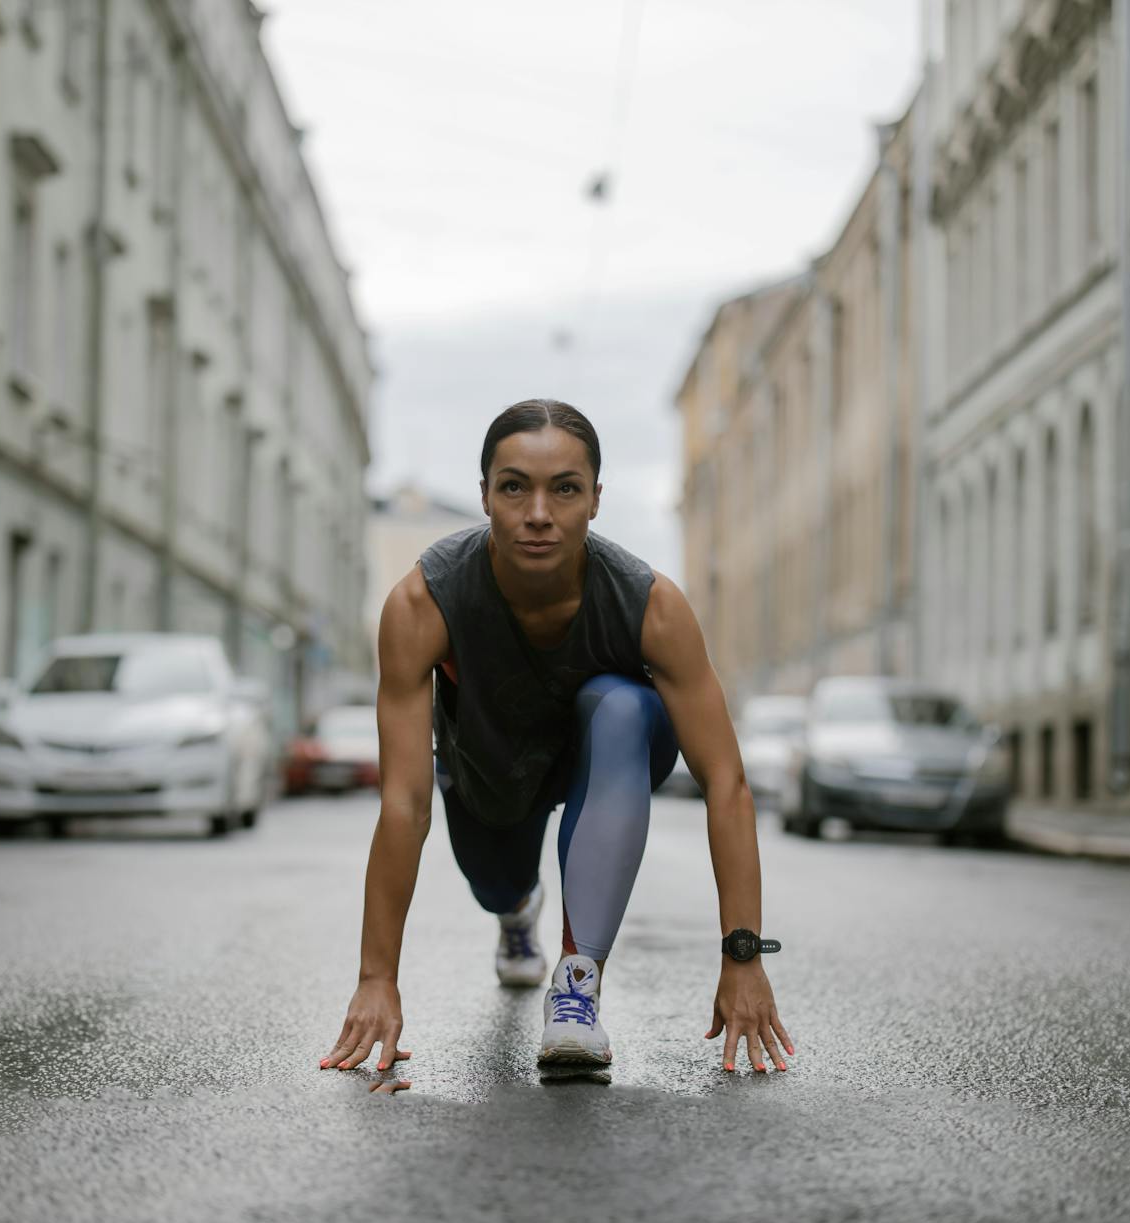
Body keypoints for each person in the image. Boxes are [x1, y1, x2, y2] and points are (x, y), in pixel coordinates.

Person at [319, 399, 792, 1074]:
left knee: (623, 704)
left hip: (604, 761)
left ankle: (576, 989)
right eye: (515, 487)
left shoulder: (651, 604)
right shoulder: (424, 603)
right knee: (496, 884)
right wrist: (376, 977)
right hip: (488, 771)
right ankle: (518, 911)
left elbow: (727, 782)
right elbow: (404, 801)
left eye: (564, 489)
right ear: (484, 495)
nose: (538, 512)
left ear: (595, 500)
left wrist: (742, 956)